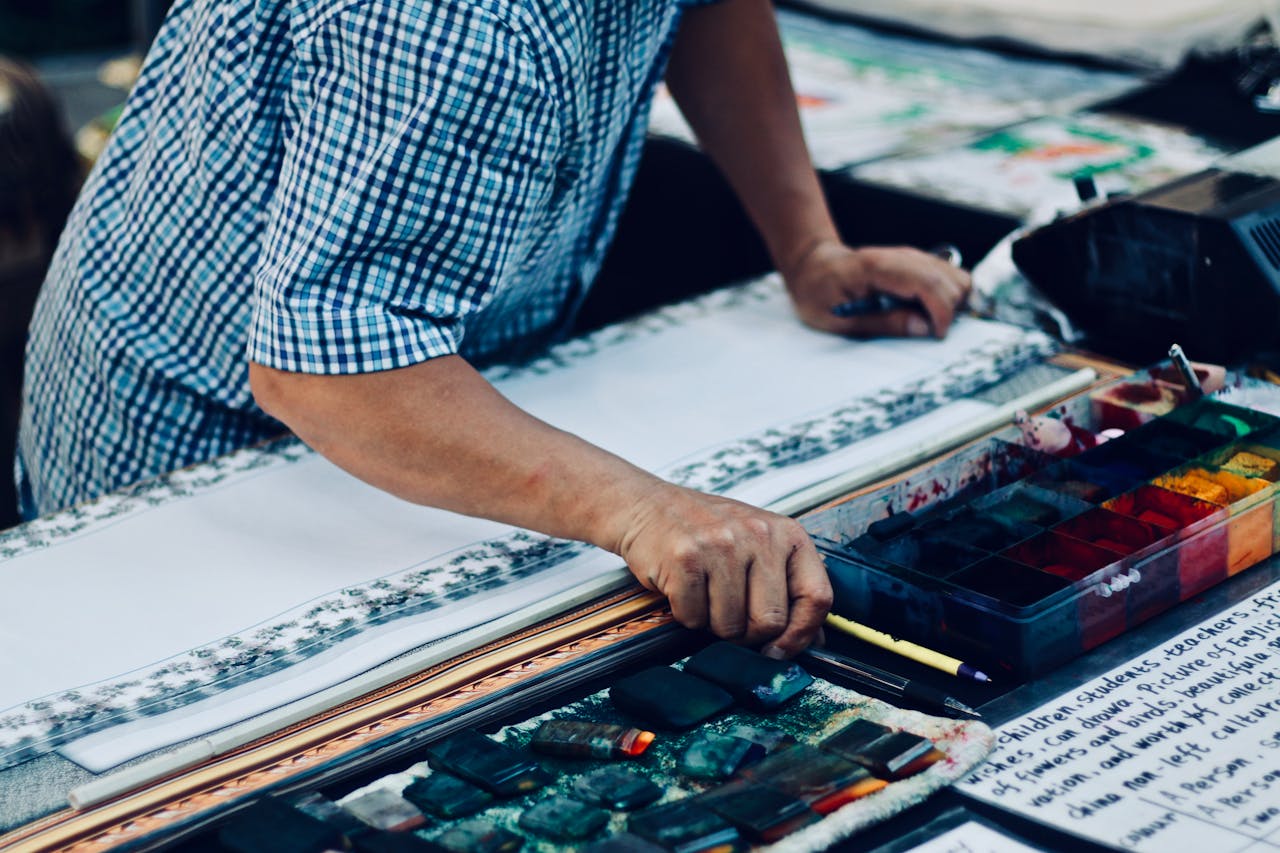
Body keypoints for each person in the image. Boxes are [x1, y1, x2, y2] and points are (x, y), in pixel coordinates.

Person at [19, 0, 970, 657]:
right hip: (205, 420)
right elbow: (324, 359)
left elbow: (709, 11)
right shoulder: (460, 17)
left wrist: (807, 244)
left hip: (421, 373)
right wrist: (643, 510)